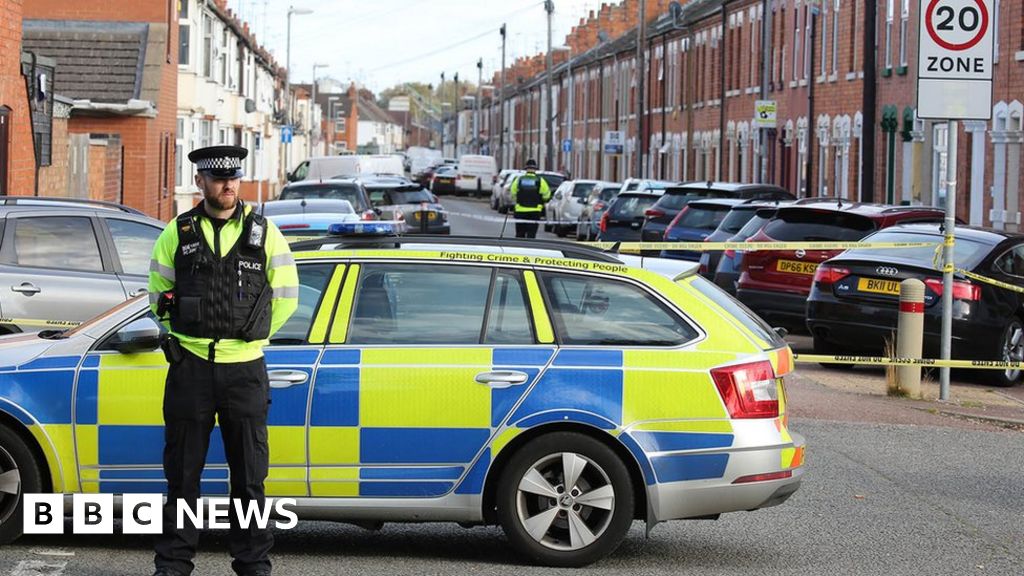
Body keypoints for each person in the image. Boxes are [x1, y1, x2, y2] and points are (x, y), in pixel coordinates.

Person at [148, 145, 298, 576]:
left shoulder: (264, 233)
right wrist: (180, 337)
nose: (227, 184)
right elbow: (158, 295)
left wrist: (250, 335)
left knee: (250, 479)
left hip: (245, 370)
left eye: (233, 177)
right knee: (182, 475)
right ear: (201, 182)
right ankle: (173, 564)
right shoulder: (177, 233)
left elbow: (286, 294)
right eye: (217, 178)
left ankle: (253, 564)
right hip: (191, 367)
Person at [508, 158, 551, 238]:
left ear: (526, 169)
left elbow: (512, 193)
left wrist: (518, 198)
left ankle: (519, 249)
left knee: (520, 234)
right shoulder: (540, 181)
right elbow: (547, 195)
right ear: (535, 169)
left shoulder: (519, 180)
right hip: (535, 211)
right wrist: (542, 200)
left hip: (520, 211)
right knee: (531, 234)